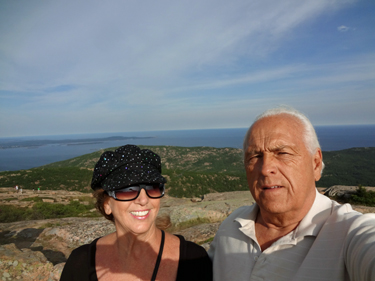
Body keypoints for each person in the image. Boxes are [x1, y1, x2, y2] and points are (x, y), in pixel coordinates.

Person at [208, 106, 375, 281]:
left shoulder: (349, 233)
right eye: (254, 157)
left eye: (283, 153)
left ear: (316, 164)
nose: (265, 169)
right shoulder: (233, 225)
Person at [60, 144, 212, 281]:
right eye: (127, 190)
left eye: (152, 187)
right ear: (106, 204)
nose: (143, 200)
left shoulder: (194, 259)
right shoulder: (80, 263)